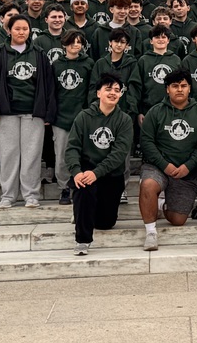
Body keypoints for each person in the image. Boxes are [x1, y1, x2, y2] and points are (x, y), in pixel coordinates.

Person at [0, 15, 57, 209]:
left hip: (33, 113)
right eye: (17, 28)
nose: (21, 32)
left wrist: (47, 112)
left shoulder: (39, 54)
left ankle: (31, 195)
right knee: (8, 154)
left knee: (31, 155)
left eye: (25, 28)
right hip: (7, 113)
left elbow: (48, 85)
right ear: (9, 30)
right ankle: (8, 195)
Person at [138, 69, 197, 250]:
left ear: (189, 88)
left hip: (186, 171)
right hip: (158, 167)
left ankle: (161, 204)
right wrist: (164, 165)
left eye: (183, 86)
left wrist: (188, 166)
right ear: (167, 89)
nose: (179, 89)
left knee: (178, 220)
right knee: (148, 185)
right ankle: (151, 233)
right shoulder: (156, 112)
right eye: (175, 86)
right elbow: (146, 142)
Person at [66, 72, 134, 256]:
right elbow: (72, 148)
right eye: (108, 89)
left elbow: (119, 154)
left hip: (111, 175)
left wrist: (97, 173)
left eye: (117, 90)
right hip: (87, 170)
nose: (113, 93)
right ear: (98, 93)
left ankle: (82, 213)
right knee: (84, 187)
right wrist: (76, 171)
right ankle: (82, 240)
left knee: (105, 223)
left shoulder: (124, 120)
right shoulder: (83, 117)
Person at [50, 31, 95, 205]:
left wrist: (89, 110)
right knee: (62, 154)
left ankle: (82, 184)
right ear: (64, 44)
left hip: (82, 116)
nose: (75, 45)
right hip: (61, 117)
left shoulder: (88, 63)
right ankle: (64, 187)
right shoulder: (56, 65)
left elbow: (92, 89)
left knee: (84, 154)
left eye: (79, 42)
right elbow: (51, 91)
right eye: (72, 42)